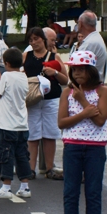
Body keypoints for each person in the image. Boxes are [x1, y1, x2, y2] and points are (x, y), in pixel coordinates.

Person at [55, 50, 107, 214]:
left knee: (94, 192)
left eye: (81, 69)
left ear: (91, 70)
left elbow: (100, 119)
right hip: (73, 146)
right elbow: (61, 122)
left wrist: (84, 103)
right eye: (74, 69)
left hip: (96, 147)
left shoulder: (103, 92)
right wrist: (85, 113)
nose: (76, 73)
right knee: (70, 192)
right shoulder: (66, 93)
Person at [0, 48, 33, 199]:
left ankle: (6, 187)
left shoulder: (6, 75)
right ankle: (25, 187)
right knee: (22, 155)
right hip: (22, 123)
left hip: (7, 124)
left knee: (5, 154)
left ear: (6, 63)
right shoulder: (23, 76)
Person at [23, 27, 68, 180]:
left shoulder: (54, 56)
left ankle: (49, 168)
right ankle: (31, 168)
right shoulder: (26, 56)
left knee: (50, 133)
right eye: (31, 40)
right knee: (32, 134)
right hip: (32, 99)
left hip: (51, 98)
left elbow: (65, 79)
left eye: (36, 39)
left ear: (42, 39)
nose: (34, 42)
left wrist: (54, 72)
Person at [76, 10, 107, 82]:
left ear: (80, 24)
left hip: (89, 87)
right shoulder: (96, 39)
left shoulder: (89, 43)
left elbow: (78, 67)